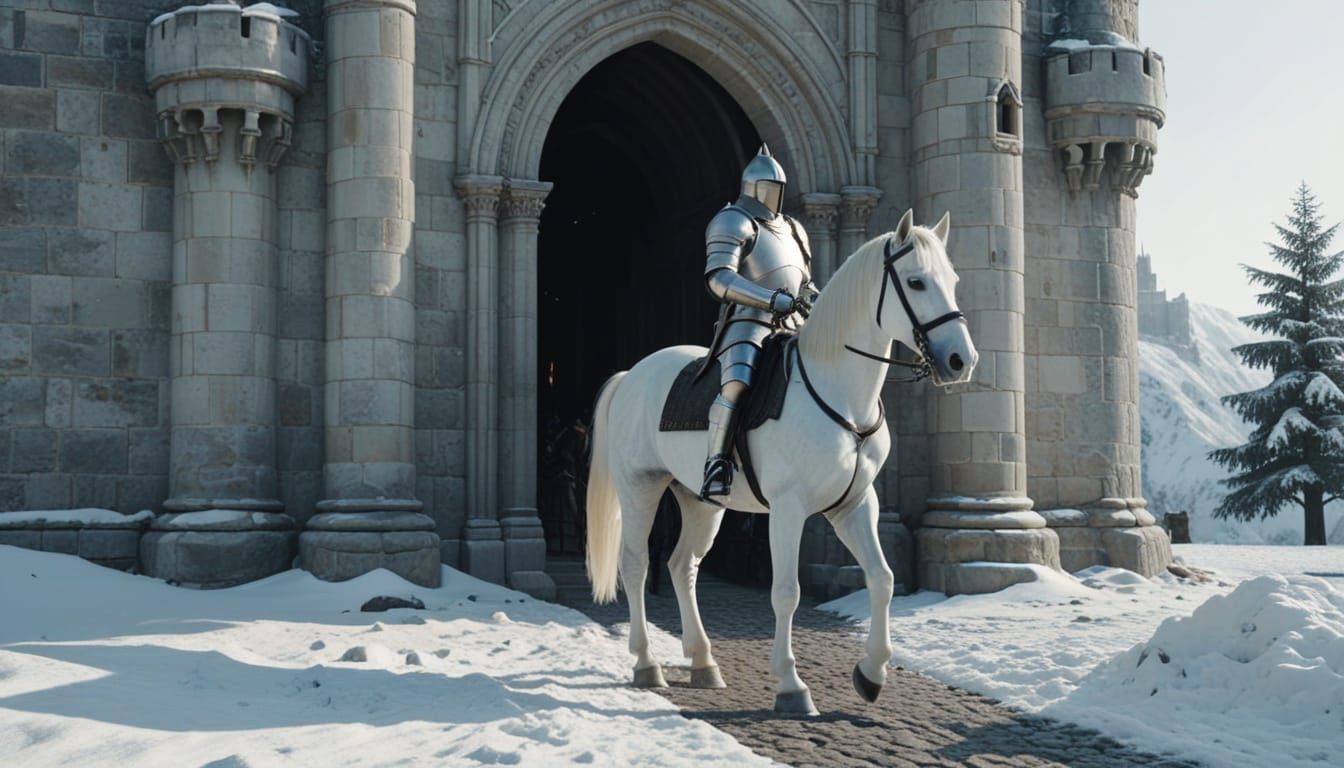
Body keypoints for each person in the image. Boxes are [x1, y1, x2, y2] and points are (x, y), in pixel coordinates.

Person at [699, 144, 817, 501]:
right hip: (747, 324)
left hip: (794, 324)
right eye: (768, 187)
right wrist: (769, 300)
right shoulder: (733, 220)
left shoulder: (794, 229)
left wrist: (821, 304)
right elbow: (719, 278)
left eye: (778, 189)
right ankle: (716, 463)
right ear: (752, 187)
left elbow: (806, 284)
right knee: (737, 382)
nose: (774, 196)